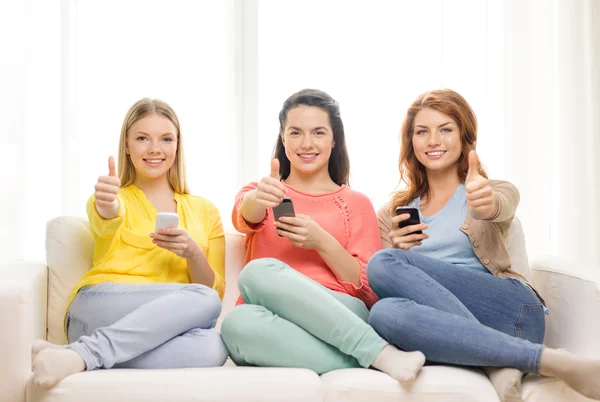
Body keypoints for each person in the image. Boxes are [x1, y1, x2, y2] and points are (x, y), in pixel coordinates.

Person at [367, 89, 600, 400]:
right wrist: (398, 250)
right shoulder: (392, 215)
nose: (433, 140)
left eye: (446, 129)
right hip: (459, 332)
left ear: (466, 138)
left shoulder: (490, 190)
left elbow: (501, 204)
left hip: (513, 313)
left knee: (381, 263)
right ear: (411, 143)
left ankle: (543, 359)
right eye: (422, 132)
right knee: (383, 314)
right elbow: (385, 287)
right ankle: (499, 360)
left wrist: (486, 206)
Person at [220, 89, 426, 384]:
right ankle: (374, 357)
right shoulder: (263, 192)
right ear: (283, 137)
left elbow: (367, 289)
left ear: (334, 139)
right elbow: (245, 214)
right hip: (271, 318)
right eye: (296, 133)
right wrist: (258, 197)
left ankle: (371, 349)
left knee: (257, 271)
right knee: (236, 323)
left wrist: (322, 242)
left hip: (340, 310)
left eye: (318, 132)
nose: (307, 143)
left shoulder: (355, 203)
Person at [31, 98, 228, 388]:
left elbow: (215, 293)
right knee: (204, 298)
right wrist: (107, 204)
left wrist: (193, 253)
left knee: (215, 347)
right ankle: (85, 350)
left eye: (165, 139)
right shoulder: (115, 198)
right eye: (142, 138)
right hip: (97, 308)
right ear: (126, 145)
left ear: (177, 145)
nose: (154, 148)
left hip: (144, 331)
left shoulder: (205, 210)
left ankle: (78, 355)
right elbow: (107, 217)